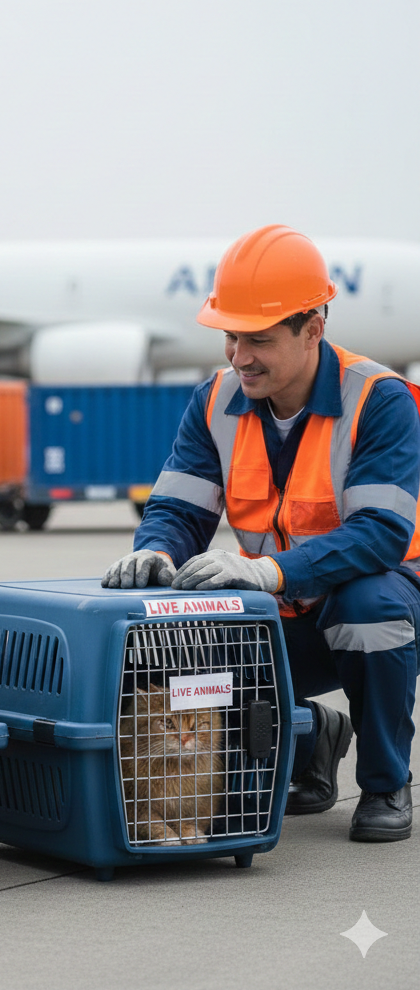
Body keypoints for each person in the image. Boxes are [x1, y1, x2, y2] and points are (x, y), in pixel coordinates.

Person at [103, 224, 417, 842]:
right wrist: (155, 554)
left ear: (313, 330)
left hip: (389, 600)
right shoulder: (216, 400)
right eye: (231, 336)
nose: (239, 356)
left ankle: (385, 783)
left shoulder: (380, 400)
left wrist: (266, 572)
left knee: (366, 607)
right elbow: (179, 510)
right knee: (187, 633)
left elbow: (380, 534)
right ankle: (309, 739)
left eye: (260, 340)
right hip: (286, 608)